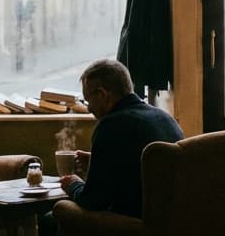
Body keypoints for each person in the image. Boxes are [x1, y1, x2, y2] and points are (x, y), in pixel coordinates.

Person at [59, 58, 185, 216]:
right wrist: (96, 160)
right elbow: (142, 167)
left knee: (53, 218)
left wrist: (73, 185)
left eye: (88, 100)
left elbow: (92, 201)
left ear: (102, 94)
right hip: (172, 221)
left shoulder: (110, 126)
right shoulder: (164, 117)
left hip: (134, 225)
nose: (89, 108)